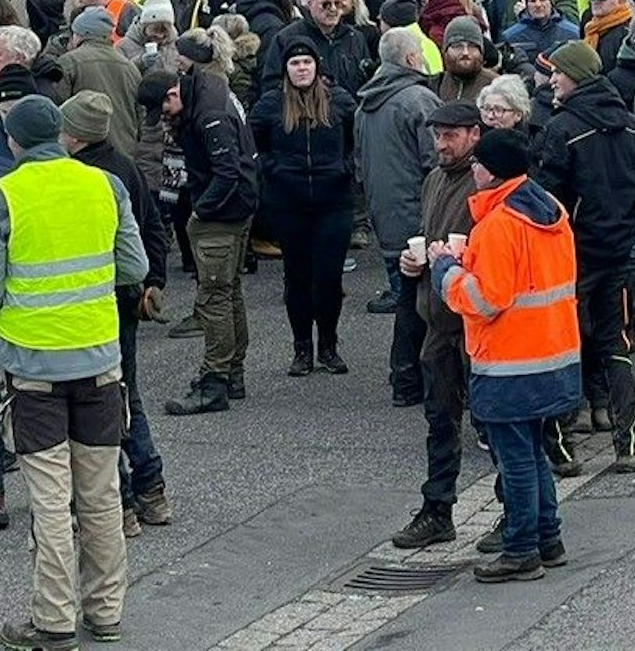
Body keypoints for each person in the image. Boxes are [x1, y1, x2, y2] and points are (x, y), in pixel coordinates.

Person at [0, 94, 147, 650]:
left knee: (50, 502)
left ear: (15, 142)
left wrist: (7, 318)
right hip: (99, 362)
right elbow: (134, 267)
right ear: (65, 135)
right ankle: (107, 613)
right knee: (100, 494)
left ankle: (53, 621)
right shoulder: (106, 186)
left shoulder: (1, 198)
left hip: (32, 369)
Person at [431, 128, 582, 582]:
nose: (471, 168)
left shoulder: (498, 225)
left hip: (508, 362)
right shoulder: (549, 209)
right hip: (552, 354)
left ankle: (521, 549)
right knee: (532, 452)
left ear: (490, 171)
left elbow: (484, 299)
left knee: (516, 459)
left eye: (477, 163)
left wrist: (445, 271)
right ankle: (548, 537)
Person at [533, 40, 635, 470]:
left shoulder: (562, 129)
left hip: (573, 256)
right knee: (615, 343)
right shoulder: (633, 126)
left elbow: (549, 199)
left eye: (557, 73)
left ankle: (562, 450)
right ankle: (631, 445)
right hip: (619, 250)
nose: (551, 80)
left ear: (576, 76)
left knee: (564, 344)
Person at [60, 90, 174, 538]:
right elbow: (150, 230)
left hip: (96, 299)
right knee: (128, 396)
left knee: (101, 406)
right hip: (126, 295)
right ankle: (152, 490)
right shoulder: (124, 165)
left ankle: (122, 501)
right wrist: (154, 282)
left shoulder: (86, 176)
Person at [389, 101, 484, 549]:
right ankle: (437, 509)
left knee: (492, 421)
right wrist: (415, 261)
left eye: (451, 135)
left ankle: (515, 512)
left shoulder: (483, 183)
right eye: (438, 135)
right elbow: (429, 240)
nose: (442, 144)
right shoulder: (433, 180)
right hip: (437, 319)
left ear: (474, 135)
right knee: (440, 419)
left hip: (476, 323)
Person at [148, 52, 260, 416]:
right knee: (228, 293)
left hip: (221, 213)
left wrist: (199, 213)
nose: (166, 119)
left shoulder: (208, 114)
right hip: (238, 206)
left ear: (172, 94)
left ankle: (215, 381)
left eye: (164, 111)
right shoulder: (210, 88)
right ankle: (233, 374)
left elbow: (226, 171)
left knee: (213, 298)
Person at [251, 41, 356, 376]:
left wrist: (345, 168)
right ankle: (302, 348)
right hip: (288, 202)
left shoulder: (339, 101)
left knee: (328, 278)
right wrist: (273, 170)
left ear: (317, 66)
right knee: (297, 278)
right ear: (286, 69)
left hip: (333, 201)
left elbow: (355, 140)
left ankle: (328, 344)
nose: (301, 68)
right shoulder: (270, 104)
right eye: (295, 63)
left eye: (306, 62)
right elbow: (255, 143)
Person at [354, 28, 441, 400]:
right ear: (410, 59)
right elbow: (437, 163)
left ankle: (404, 378)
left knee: (406, 297)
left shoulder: (365, 104)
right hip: (418, 218)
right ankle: (410, 380)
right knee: (421, 304)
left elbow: (360, 164)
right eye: (419, 52)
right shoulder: (418, 100)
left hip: (386, 217)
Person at [259, 0, 373, 98]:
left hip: (348, 112)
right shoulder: (286, 38)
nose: (333, 9)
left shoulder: (355, 37)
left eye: (337, 3)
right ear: (310, 4)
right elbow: (272, 83)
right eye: (326, 4)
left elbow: (366, 80)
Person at [56, 6, 142, 157]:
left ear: (81, 34)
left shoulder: (69, 62)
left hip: (83, 151)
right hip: (123, 153)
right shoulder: (129, 67)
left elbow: (58, 107)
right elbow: (140, 114)